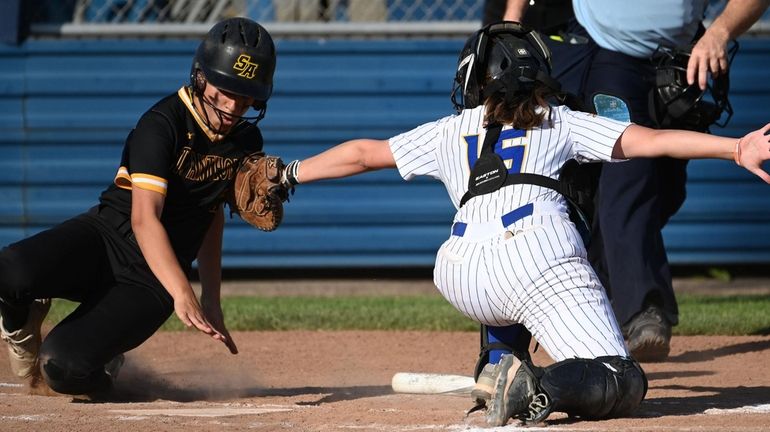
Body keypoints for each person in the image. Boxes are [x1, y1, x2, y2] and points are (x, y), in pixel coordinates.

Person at [276, 21, 770, 426]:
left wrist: (288, 172)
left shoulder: (454, 128)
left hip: (459, 271)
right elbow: (650, 141)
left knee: (509, 282)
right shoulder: (558, 119)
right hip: (537, 254)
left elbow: (363, 154)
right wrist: (735, 148)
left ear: (478, 79)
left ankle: (497, 365)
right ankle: (536, 384)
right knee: (622, 379)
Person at [0, 17, 275, 397]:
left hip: (149, 282)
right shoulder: (162, 123)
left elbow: (210, 215)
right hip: (105, 239)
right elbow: (145, 219)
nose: (233, 104)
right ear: (200, 76)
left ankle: (107, 360)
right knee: (10, 270)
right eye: (224, 87)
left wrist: (211, 296)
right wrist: (184, 292)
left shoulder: (246, 139)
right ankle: (20, 324)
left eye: (245, 95)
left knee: (61, 367)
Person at [483, 0, 770, 363]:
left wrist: (720, 31)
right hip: (610, 56)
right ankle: (644, 312)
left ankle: (586, 302)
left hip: (683, 56)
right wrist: (512, 21)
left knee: (666, 190)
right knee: (629, 176)